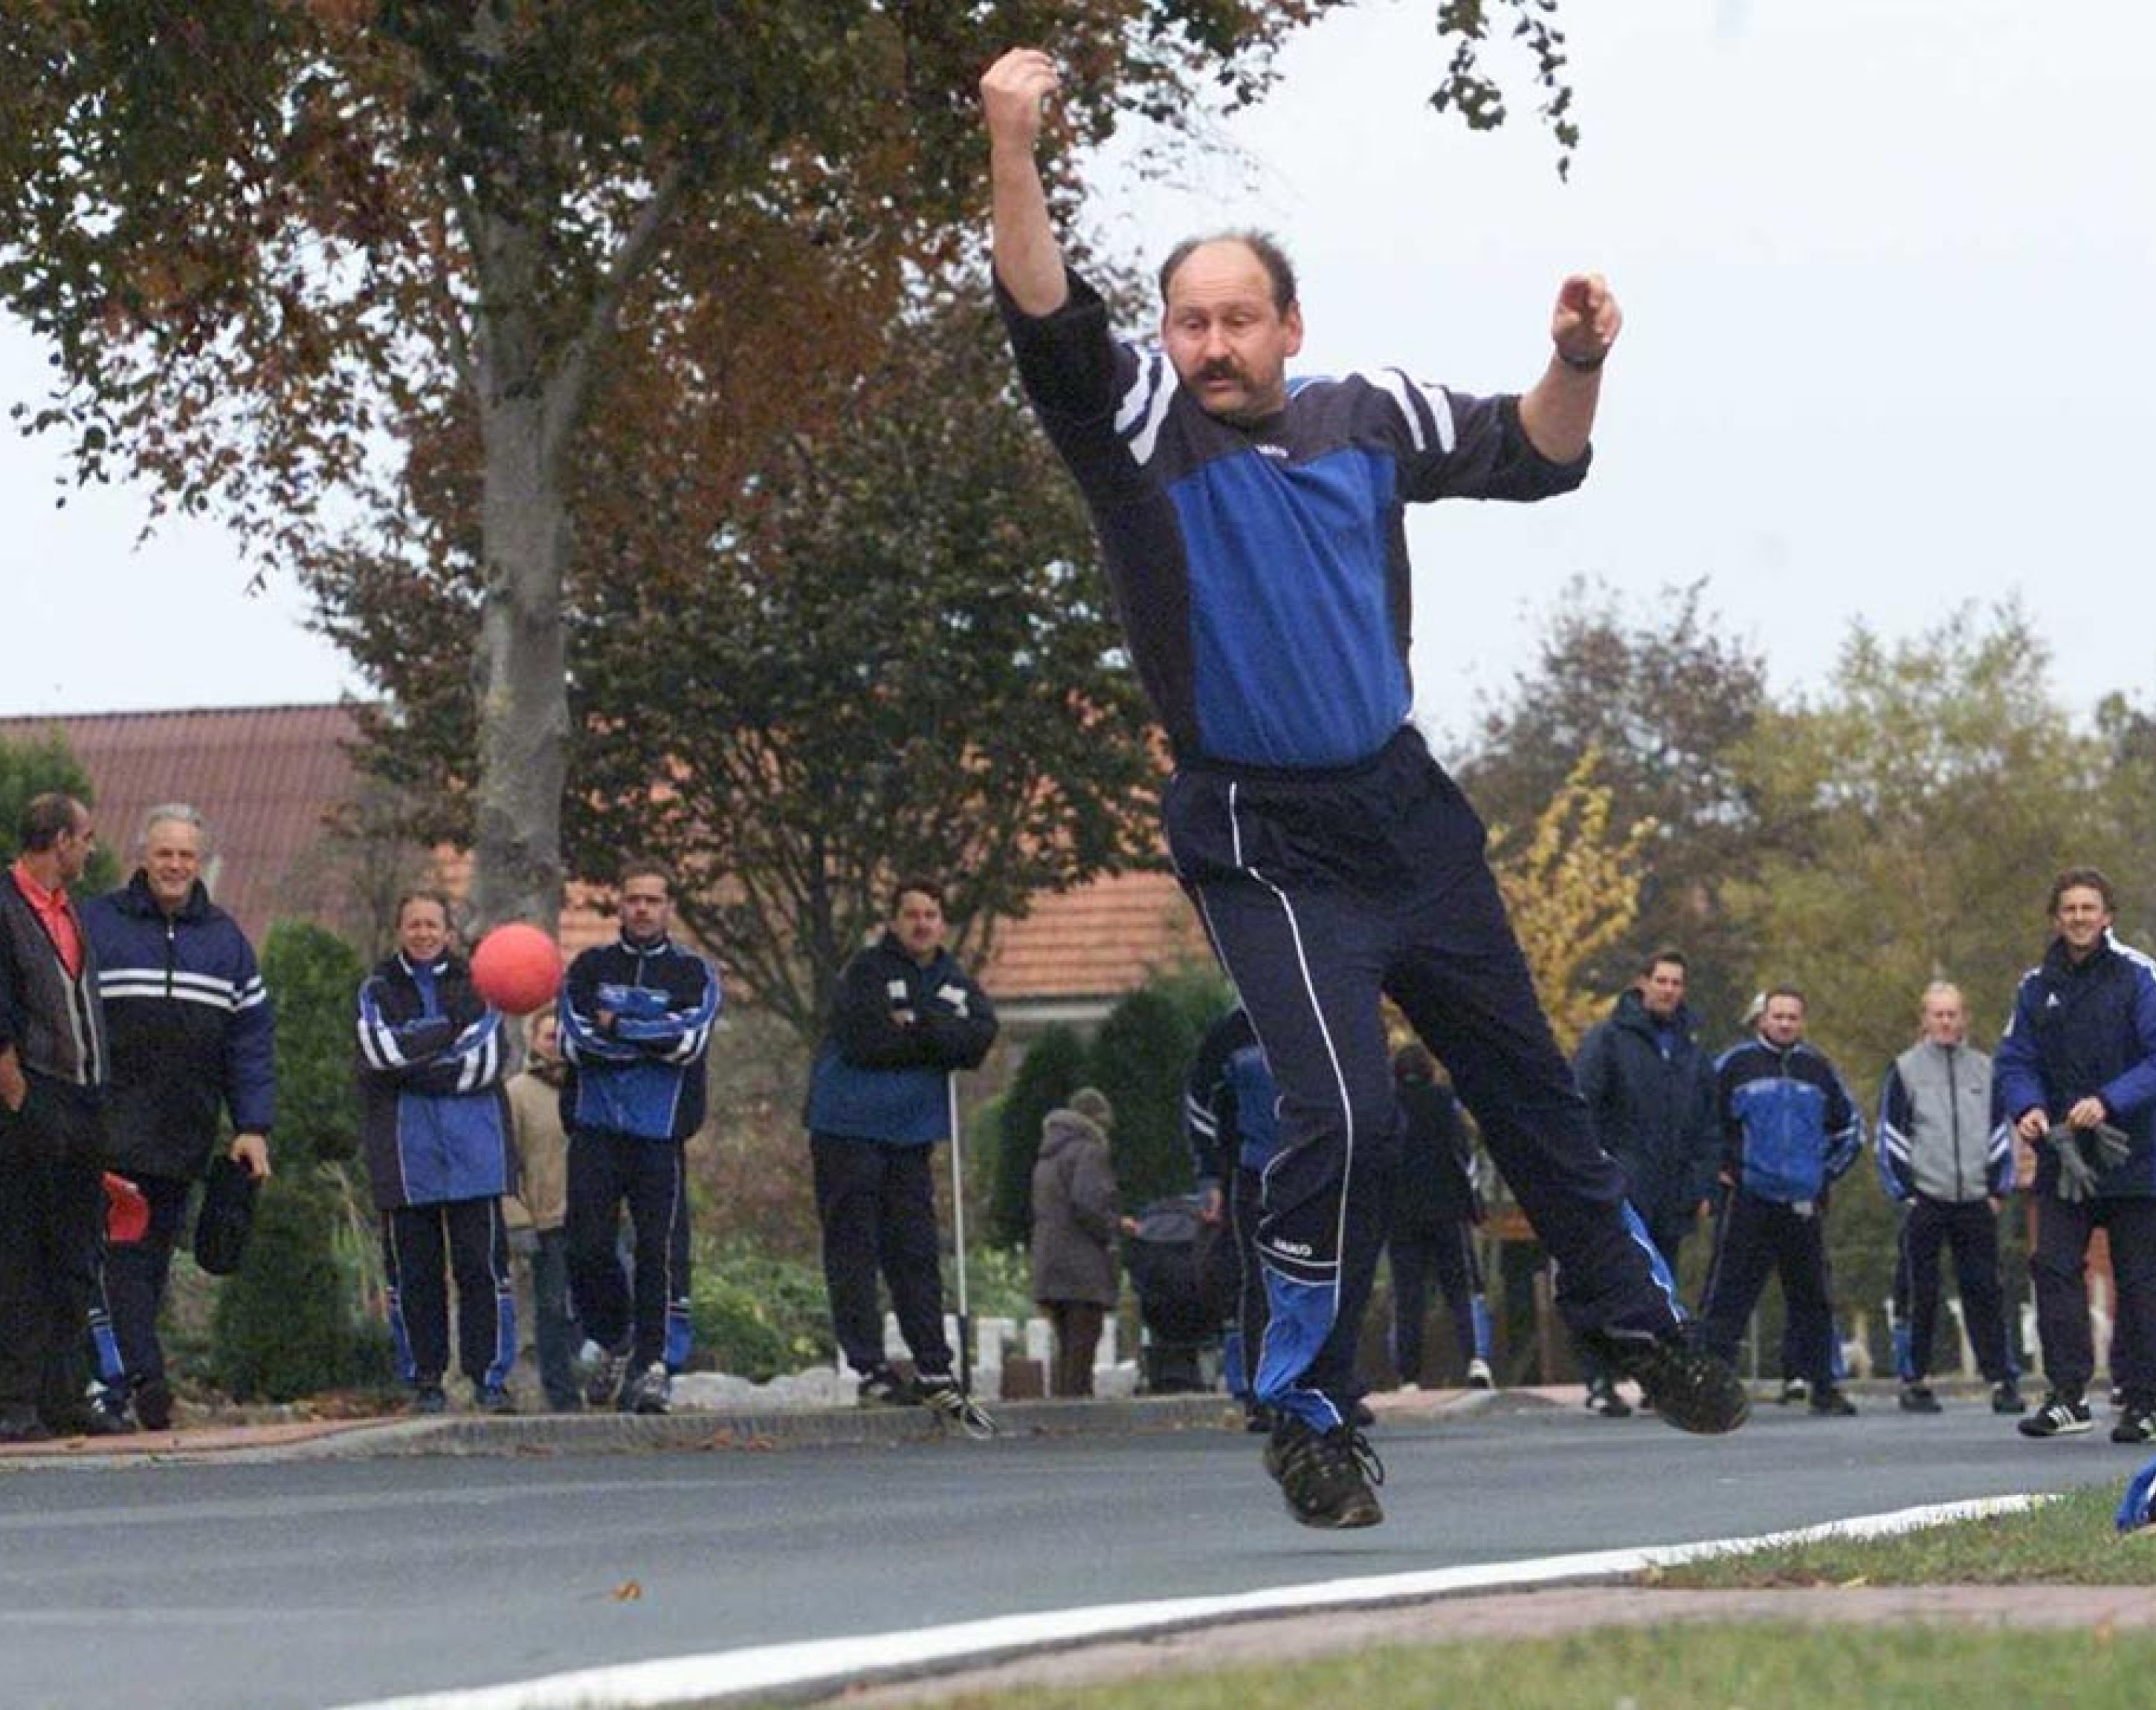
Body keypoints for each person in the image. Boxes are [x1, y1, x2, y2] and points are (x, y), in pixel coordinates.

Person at [982, 46, 1746, 1529]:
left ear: (1289, 326)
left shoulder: (1365, 412)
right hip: (1264, 837)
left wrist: (1580, 355)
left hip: (1403, 809)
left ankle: (1641, 1328)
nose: (1213, 343)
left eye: (1238, 320)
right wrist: (1014, 147)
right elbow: (1041, 310)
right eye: (1188, 320)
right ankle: (1309, 1411)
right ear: (1166, 334)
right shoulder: (1134, 429)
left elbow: (1536, 452)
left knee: (1527, 1084)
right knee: (1343, 1116)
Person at [80, 804, 274, 1433]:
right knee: (119, 1260)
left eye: (186, 856)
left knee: (151, 1263)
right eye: (164, 853)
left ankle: (121, 1382)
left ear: (200, 862)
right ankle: (140, 1380)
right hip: (106, 1132)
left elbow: (250, 1042)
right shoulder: (97, 925)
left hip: (182, 1137)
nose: (175, 866)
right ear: (144, 856)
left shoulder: (226, 942)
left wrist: (253, 1126)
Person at [804, 878, 997, 1418]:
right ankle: (869, 1366)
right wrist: (935, 1040)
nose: (921, 924)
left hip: (911, 1135)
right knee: (854, 1247)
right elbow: (869, 1041)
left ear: (943, 922)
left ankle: (934, 1363)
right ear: (893, 921)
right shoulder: (866, 972)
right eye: (911, 914)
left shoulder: (953, 981)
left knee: (915, 1250)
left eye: (931, 914)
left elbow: (977, 1037)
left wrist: (922, 1027)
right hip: (849, 1127)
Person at [1994, 868, 2156, 1442]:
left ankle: (2143, 1401)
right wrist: (2027, 1107)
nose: (2080, 918)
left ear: (2108, 915)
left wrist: (2110, 1101)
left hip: (2135, 1156)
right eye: (2070, 909)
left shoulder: (2139, 976)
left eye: (2090, 908)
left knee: (2141, 1280)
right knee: (2053, 1266)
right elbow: (2015, 1060)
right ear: (2055, 917)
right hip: (2063, 1157)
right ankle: (2068, 1396)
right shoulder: (2035, 986)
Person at [561, 859, 720, 1416]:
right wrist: (647, 1035)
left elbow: (688, 1043)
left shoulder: (693, 974)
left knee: (659, 1253)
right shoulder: (588, 967)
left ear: (668, 908)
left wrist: (621, 1026)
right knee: (586, 1247)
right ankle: (614, 1338)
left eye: (654, 900)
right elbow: (577, 1042)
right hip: (595, 1130)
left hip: (660, 1135)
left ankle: (653, 1366)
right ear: (620, 906)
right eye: (633, 900)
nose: (643, 909)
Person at [356, 891, 518, 1415]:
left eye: (432, 925)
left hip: (478, 1154)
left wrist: (415, 1059)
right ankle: (426, 1380)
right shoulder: (376, 988)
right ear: (399, 930)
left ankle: (490, 1381)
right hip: (406, 1159)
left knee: (482, 1271)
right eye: (414, 925)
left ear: (448, 931)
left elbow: (487, 1061)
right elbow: (380, 1054)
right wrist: (449, 1033)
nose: (423, 934)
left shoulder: (481, 984)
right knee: (415, 1275)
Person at [0, 795, 113, 1442]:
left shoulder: (71, 911)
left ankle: (64, 1395)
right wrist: (18, 1098)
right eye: (86, 837)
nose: (91, 849)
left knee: (75, 1253)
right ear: (59, 841)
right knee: (21, 1255)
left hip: (83, 1100)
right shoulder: (7, 907)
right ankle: (15, 1400)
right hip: (30, 1101)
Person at [1699, 987, 1865, 1417]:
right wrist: (1722, 1170)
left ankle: (1824, 1385)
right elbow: (1701, 1121)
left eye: (1793, 1017)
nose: (1786, 1024)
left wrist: (1823, 1173)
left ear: (1802, 1022)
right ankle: (1710, 1384)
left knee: (1813, 1297)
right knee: (1728, 1294)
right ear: (1762, 1019)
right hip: (1749, 1198)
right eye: (1778, 1016)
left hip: (1803, 1202)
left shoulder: (1818, 1069)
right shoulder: (1734, 1066)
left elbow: (1850, 1129)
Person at [1571, 949, 1720, 1416]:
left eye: (1677, 983)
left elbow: (1708, 1125)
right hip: (1621, 1186)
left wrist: (1701, 1185)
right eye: (1662, 981)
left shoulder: (1692, 1052)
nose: (1669, 991)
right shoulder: (1609, 1041)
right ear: (1643, 984)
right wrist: (1597, 1173)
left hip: (1672, 1190)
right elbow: (1582, 1108)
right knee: (1609, 1283)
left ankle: (1660, 1379)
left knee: (1663, 1289)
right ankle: (1599, 1378)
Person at [1876, 981, 2022, 1417]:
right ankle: (1915, 1379)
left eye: (1952, 1014)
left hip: (1976, 1199)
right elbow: (1891, 1136)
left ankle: (2002, 1378)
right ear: (1924, 1020)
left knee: (1986, 1290)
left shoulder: (1986, 1069)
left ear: (1964, 1019)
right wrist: (1905, 1192)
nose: (1945, 1021)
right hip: (1926, 1198)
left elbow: (2002, 1132)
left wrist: (1999, 1188)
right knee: (1919, 1292)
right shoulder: (1904, 1070)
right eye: (1937, 1014)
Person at [1185, 1004, 1285, 1430]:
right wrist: (1210, 1177)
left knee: (1322, 1277)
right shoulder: (1233, 1031)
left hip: (1312, 1166)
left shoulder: (1319, 1009)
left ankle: (1324, 1386)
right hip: (1253, 1169)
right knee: (1259, 1280)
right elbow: (1199, 1101)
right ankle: (1262, 1392)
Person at [1386, 1045, 1495, 1394]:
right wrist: (1474, 1199)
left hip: (1401, 1210)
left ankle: (1409, 1375)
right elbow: (1463, 1153)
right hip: (1448, 1208)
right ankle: (1476, 1360)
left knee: (1408, 1294)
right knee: (1462, 1290)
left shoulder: (1388, 1106)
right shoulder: (1445, 1101)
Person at [504, 1004, 581, 1413]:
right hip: (546, 1219)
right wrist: (517, 1219)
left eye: (565, 1036)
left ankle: (608, 1379)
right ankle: (563, 1395)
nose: (558, 1045)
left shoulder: (591, 1086)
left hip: (594, 1217)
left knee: (603, 1302)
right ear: (533, 1040)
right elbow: (506, 1162)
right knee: (552, 1309)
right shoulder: (517, 1094)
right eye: (550, 1036)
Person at [1029, 1085, 1120, 1398]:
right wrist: (1111, 1228)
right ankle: (1078, 1415)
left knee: (1066, 1346)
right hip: (1083, 1263)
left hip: (1051, 1259)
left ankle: (1061, 1413)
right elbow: (1089, 1203)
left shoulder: (1048, 1154)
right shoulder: (1089, 1151)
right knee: (1083, 1346)